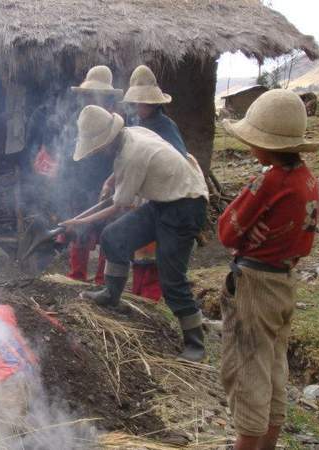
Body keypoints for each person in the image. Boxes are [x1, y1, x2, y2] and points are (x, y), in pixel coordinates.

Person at [60, 105, 209, 361]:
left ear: (107, 141)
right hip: (162, 201)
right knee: (114, 237)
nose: (97, 153)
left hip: (186, 203)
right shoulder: (130, 133)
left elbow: (119, 207)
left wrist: (79, 221)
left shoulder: (133, 155)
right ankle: (111, 294)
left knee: (171, 277)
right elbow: (119, 178)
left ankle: (195, 343)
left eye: (97, 148)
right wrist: (110, 180)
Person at [217, 89, 319, 450]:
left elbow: (226, 230)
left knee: (247, 370)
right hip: (284, 280)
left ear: (265, 145)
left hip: (256, 284)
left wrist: (244, 231)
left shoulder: (269, 181)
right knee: (274, 367)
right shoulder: (306, 179)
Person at [118, 64, 188, 301]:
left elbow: (178, 161)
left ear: (154, 103)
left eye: (143, 102)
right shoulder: (136, 123)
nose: (139, 107)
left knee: (151, 253)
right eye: (137, 103)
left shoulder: (166, 128)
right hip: (141, 194)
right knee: (138, 251)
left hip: (161, 196)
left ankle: (149, 300)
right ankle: (137, 295)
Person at [64, 65, 123, 284]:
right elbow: (70, 151)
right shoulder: (77, 117)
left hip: (107, 180)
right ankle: (76, 277)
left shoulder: (117, 121)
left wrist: (111, 183)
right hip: (80, 180)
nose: (91, 98)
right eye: (88, 94)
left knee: (107, 233)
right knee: (79, 231)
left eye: (96, 94)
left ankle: (101, 280)